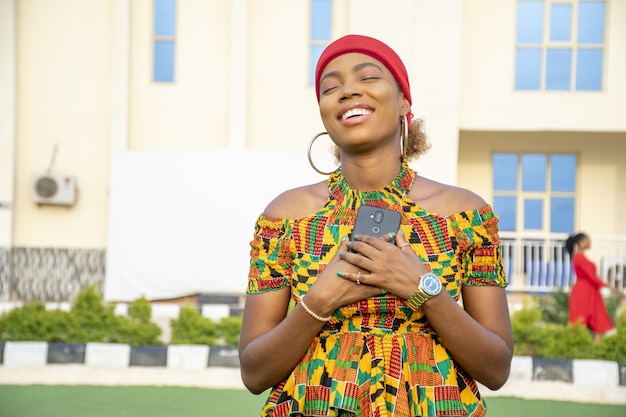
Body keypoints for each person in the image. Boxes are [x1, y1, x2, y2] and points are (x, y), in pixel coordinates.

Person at [239, 34, 514, 417]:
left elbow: (496, 368)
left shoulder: (465, 215)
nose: (348, 91)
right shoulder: (285, 218)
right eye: (330, 87)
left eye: (367, 78)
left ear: (404, 101)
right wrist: (319, 301)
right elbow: (253, 373)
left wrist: (423, 290)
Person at [566, 232, 619, 342]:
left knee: (598, 321)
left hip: (592, 291)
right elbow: (592, 276)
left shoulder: (582, 257)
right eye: (587, 240)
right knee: (578, 322)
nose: (590, 242)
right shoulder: (579, 258)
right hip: (583, 292)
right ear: (581, 242)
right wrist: (611, 287)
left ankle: (596, 351)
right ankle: (573, 347)